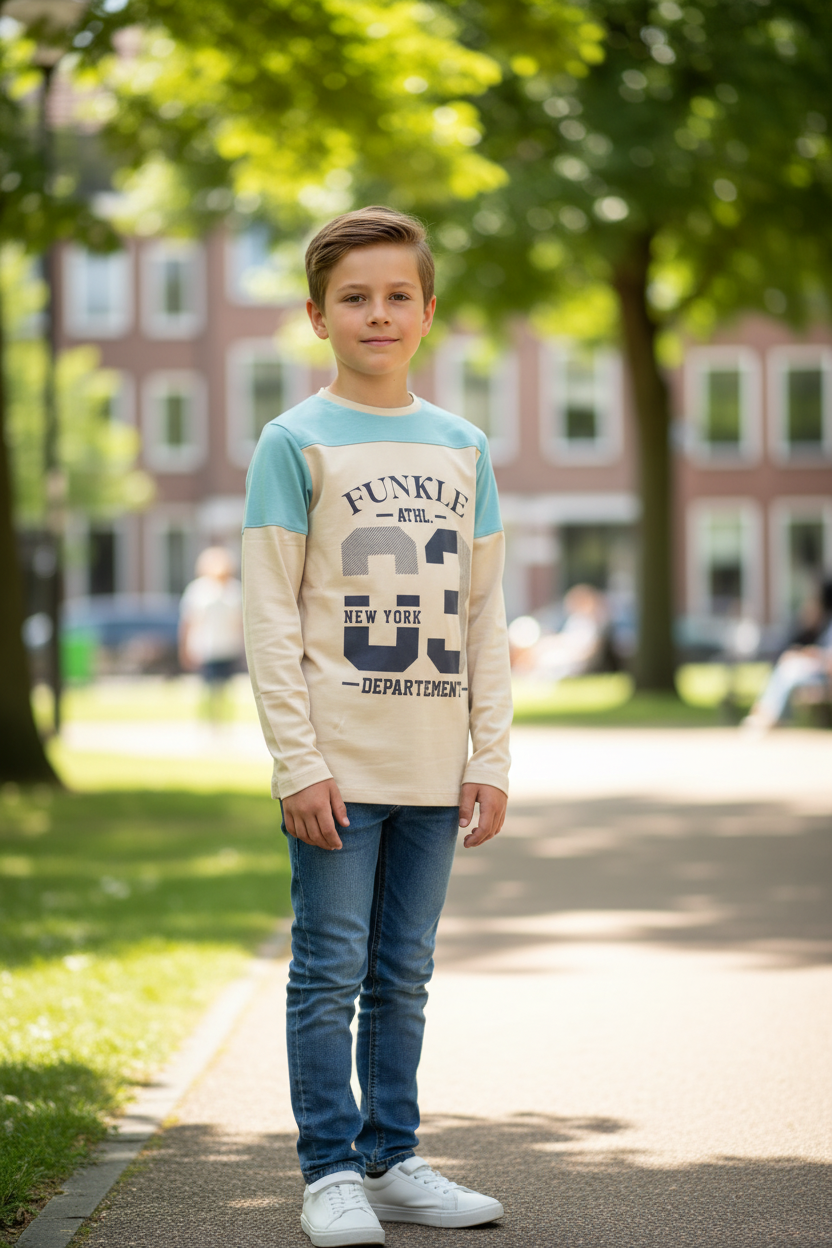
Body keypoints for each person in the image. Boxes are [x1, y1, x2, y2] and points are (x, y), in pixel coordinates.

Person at [242, 207, 512, 1247]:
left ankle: (393, 1159)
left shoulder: (464, 447)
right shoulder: (293, 442)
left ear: (428, 311)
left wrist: (490, 755)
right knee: (329, 972)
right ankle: (329, 1172)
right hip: (337, 767)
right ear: (317, 315)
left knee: (405, 973)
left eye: (398, 295)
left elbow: (483, 615)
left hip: (436, 767)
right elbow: (270, 617)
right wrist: (296, 762)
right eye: (354, 297)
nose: (378, 314)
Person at [742, 579, 832, 730]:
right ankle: (769, 713)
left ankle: (768, 714)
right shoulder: (824, 623)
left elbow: (828, 658)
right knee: (787, 664)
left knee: (789, 668)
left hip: (824, 673)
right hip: (819, 669)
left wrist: (805, 654)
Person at [178, 546, 244, 720]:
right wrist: (184, 648)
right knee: (207, 688)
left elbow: (240, 622)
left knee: (226, 689)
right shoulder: (197, 590)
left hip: (228, 647)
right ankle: (208, 720)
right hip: (205, 648)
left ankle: (223, 720)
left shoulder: (235, 590)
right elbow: (188, 622)